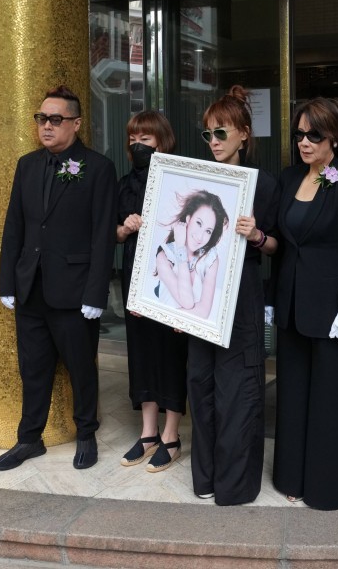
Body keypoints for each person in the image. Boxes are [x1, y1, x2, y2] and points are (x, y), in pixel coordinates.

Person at [0, 85, 117, 472]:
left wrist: (97, 292)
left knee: (81, 368)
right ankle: (29, 438)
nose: (46, 126)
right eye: (41, 119)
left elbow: (102, 235)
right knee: (33, 369)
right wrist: (7, 283)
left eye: (55, 119)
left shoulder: (98, 167)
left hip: (76, 290)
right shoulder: (27, 165)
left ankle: (86, 433)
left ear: (76, 124)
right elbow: (14, 226)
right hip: (30, 286)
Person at [272, 96, 338, 510]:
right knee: (291, 394)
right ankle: (289, 476)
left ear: (333, 136)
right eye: (300, 134)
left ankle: (324, 487)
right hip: (292, 303)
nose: (305, 142)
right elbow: (281, 246)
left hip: (332, 309)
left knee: (329, 399)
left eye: (314, 135)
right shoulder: (288, 177)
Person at [190, 85, 279, 504]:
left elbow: (279, 245)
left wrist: (258, 235)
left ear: (244, 133)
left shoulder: (265, 185)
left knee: (239, 389)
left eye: (221, 133)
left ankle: (235, 484)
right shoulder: (196, 179)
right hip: (200, 295)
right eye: (208, 135)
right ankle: (205, 478)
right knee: (202, 385)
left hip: (242, 295)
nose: (214, 143)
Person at [115, 110, 189, 473]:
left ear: (162, 140)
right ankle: (148, 432)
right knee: (141, 350)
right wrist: (125, 228)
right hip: (134, 276)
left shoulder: (181, 180)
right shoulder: (125, 182)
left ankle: (172, 435)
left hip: (173, 279)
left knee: (172, 352)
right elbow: (112, 231)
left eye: (146, 138)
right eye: (133, 139)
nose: (138, 145)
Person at [152, 189, 229, 318]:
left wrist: (162, 313)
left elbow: (203, 313)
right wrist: (180, 248)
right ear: (188, 219)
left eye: (208, 231)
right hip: (164, 330)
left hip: (194, 331)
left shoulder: (210, 258)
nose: (200, 236)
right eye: (199, 223)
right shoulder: (164, 256)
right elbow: (187, 303)